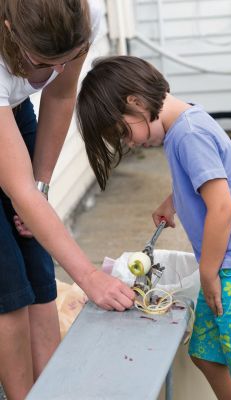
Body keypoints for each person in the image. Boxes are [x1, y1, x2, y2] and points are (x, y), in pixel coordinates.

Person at [76, 55, 231, 400]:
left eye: (123, 132)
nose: (130, 143)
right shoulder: (182, 127)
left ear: (136, 101)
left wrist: (207, 273)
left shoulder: (189, 134)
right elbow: (205, 178)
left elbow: (222, 207)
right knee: (205, 354)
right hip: (224, 265)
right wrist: (173, 200)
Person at [0, 3, 135, 399]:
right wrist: (90, 278)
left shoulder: (80, 15)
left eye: (67, 60)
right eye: (44, 62)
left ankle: (52, 391)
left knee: (39, 272)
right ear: (10, 29)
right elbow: (18, 191)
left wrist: (41, 187)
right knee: (8, 290)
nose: (57, 70)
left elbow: (59, 97)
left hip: (12, 109)